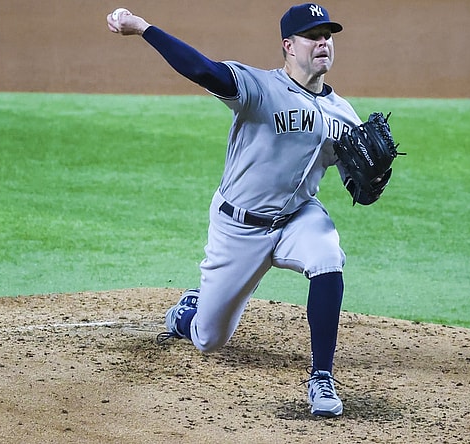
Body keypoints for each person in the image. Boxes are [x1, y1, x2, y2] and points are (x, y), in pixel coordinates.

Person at [107, 3, 383, 418]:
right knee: (209, 339)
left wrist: (369, 186)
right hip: (238, 227)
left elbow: (356, 185)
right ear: (289, 46)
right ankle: (188, 313)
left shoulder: (345, 115)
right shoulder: (258, 87)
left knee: (328, 256)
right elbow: (202, 70)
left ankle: (321, 378)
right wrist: (143, 28)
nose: (323, 42)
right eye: (313, 35)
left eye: (328, 35)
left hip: (297, 218)